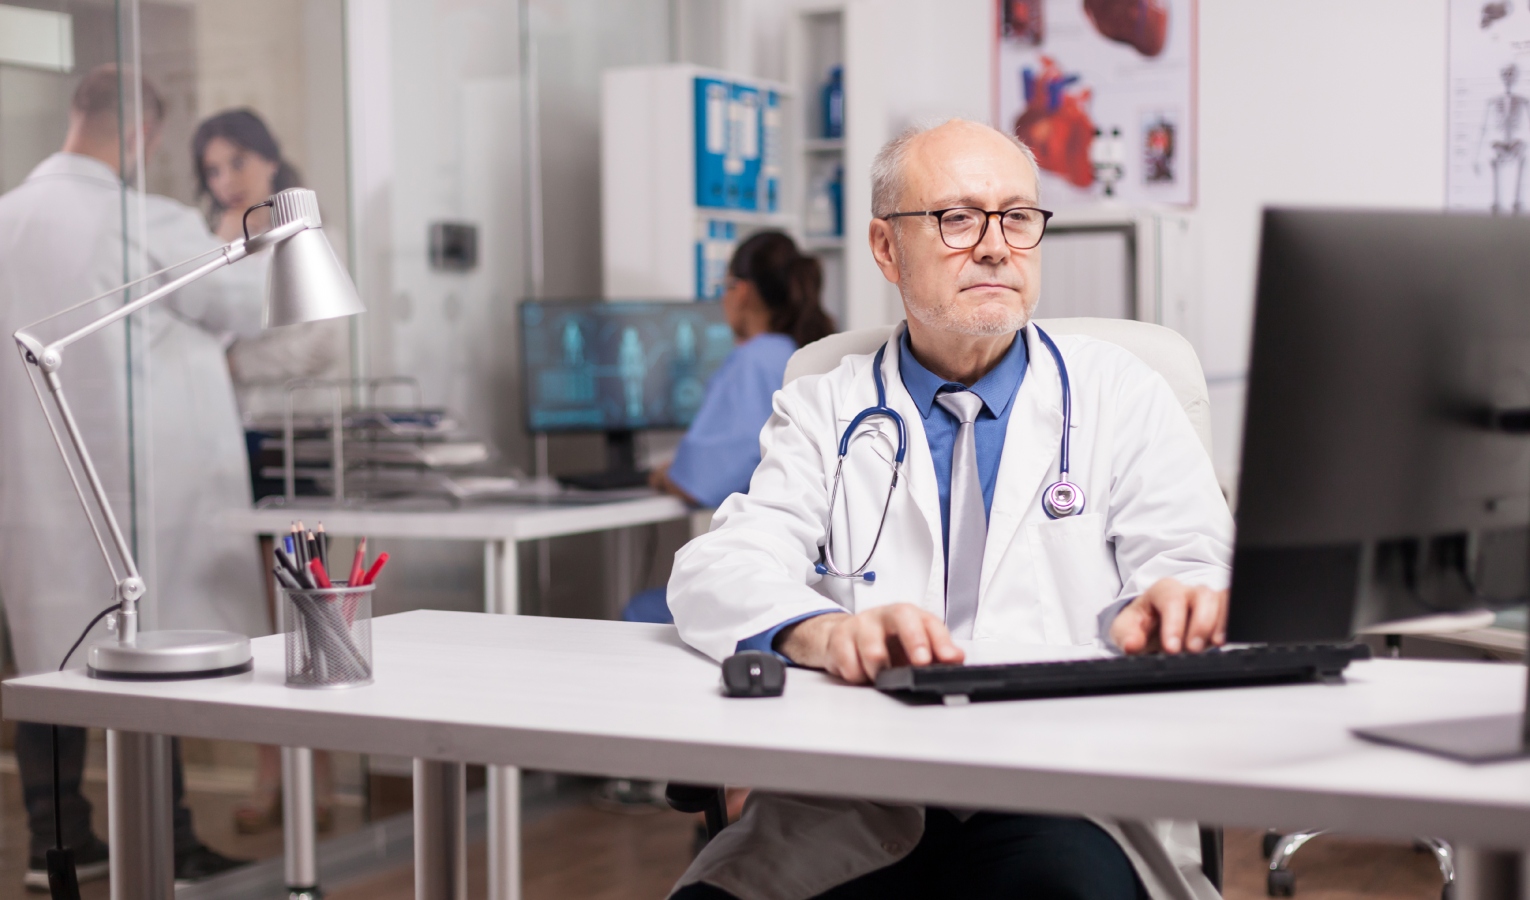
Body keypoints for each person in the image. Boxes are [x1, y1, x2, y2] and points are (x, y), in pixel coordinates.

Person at [665, 119, 1233, 900]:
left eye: (1019, 218)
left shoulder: (1121, 392)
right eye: (958, 218)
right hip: (857, 794)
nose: (997, 246)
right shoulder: (823, 406)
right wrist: (824, 632)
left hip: (1063, 794)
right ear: (886, 248)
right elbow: (720, 567)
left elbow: (1195, 556)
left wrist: (1173, 604)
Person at [0, 65, 264, 889]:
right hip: (138, 489)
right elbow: (246, 306)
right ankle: (170, 840)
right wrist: (245, 214)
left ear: (77, 115)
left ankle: (63, 840)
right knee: (151, 659)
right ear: (144, 134)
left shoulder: (5, 218)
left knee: (51, 661)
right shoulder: (145, 216)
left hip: (35, 488)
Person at [192, 107, 344, 835]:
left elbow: (316, 347)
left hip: (294, 440)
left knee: (306, 609)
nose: (224, 182)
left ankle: (320, 784)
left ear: (267, 160)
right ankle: (270, 774)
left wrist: (229, 362)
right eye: (213, 171)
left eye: (234, 165)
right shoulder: (210, 243)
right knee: (259, 621)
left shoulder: (306, 238)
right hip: (233, 438)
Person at [625, 231, 835, 625]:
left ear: (741, 293)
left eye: (725, 287)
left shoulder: (754, 360)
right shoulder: (808, 351)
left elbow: (697, 482)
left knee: (640, 610)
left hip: (777, 580)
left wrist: (661, 475)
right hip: (819, 574)